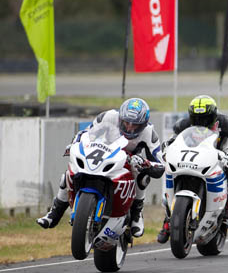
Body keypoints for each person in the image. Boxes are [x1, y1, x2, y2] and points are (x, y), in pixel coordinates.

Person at [37, 98, 164, 237]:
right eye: (126, 122)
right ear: (120, 117)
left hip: (128, 164)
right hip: (103, 154)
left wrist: (145, 163)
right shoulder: (108, 117)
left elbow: (159, 164)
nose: (129, 127)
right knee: (70, 173)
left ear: (144, 124)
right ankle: (54, 214)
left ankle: (136, 213)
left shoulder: (149, 133)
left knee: (142, 177)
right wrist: (74, 144)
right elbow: (85, 134)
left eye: (135, 125)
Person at [155, 95, 228, 243]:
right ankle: (169, 219)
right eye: (197, 118)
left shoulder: (227, 123)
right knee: (170, 173)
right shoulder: (183, 125)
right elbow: (169, 142)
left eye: (205, 119)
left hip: (218, 159)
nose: (201, 123)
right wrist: (167, 151)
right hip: (189, 158)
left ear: (213, 115)